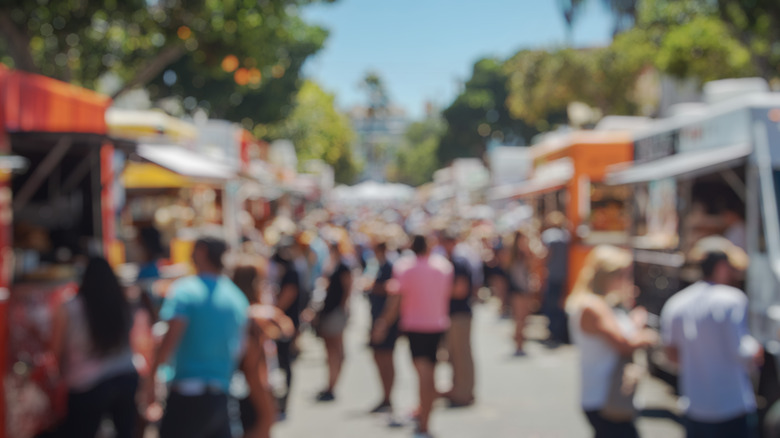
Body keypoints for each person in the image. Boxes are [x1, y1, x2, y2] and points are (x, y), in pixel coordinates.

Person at [144, 237, 249, 438]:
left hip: (187, 396)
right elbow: (239, 348)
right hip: (222, 396)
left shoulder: (185, 290)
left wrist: (150, 383)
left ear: (201, 251)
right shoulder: (237, 297)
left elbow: (168, 341)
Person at [660, 236, 761, 438]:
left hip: (695, 404)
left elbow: (671, 355)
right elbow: (741, 351)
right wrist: (756, 351)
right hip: (731, 404)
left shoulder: (676, 303)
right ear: (722, 266)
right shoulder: (732, 300)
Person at [566, 245, 657, 438]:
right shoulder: (594, 307)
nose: (628, 280)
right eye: (624, 275)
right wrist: (647, 336)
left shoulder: (599, 303)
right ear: (609, 275)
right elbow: (624, 345)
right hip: (604, 396)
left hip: (605, 396)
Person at [373, 234, 454, 438]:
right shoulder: (444, 267)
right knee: (429, 373)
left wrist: (383, 323)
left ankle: (424, 421)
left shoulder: (404, 267)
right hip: (437, 325)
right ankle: (425, 418)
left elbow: (396, 300)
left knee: (423, 374)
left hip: (416, 326)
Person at [51, 257, 139, 438]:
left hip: (86, 384)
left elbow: (56, 349)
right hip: (126, 377)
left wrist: (60, 376)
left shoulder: (70, 306)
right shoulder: (123, 303)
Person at [233, 264, 295, 438]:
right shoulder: (258, 315)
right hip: (254, 385)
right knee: (261, 426)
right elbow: (286, 328)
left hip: (237, 386)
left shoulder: (236, 312)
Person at [439, 229, 475, 407]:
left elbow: (461, 290)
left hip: (459, 314)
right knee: (454, 354)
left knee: (461, 354)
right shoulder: (452, 261)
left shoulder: (459, 262)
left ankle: (465, 392)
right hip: (453, 314)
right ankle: (457, 388)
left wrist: (437, 293)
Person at [314, 237, 354, 401]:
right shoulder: (331, 264)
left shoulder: (343, 266)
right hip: (329, 309)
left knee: (335, 350)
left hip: (335, 311)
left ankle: (333, 384)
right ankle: (331, 383)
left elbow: (347, 288)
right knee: (331, 350)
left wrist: (342, 307)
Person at [268, 237, 301, 417]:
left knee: (284, 361)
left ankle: (283, 401)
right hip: (284, 321)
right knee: (282, 362)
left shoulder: (291, 272)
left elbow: (288, 295)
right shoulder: (289, 270)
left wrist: (274, 314)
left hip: (285, 323)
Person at [367, 241, 400, 413]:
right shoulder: (380, 265)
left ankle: (388, 397)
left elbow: (393, 295)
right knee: (379, 357)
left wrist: (384, 322)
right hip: (378, 318)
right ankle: (385, 396)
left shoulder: (390, 266)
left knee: (386, 358)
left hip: (383, 320)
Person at [541, 211, 571, 344]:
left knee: (551, 304)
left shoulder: (549, 235)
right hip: (566, 274)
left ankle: (554, 331)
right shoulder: (566, 235)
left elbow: (545, 255)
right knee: (561, 304)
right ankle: (561, 331)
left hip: (553, 274)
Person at [505, 229, 536, 356]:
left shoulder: (526, 253)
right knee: (519, 319)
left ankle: (520, 343)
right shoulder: (514, 254)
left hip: (525, 289)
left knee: (524, 318)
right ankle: (518, 344)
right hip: (517, 290)